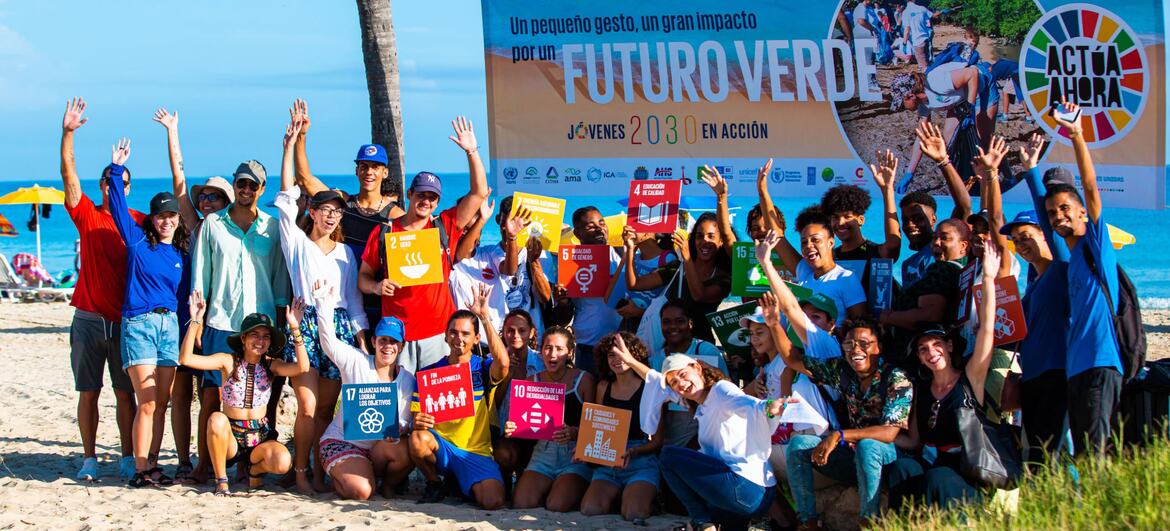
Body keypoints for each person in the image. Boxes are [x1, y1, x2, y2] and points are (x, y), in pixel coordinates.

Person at [757, 230, 909, 526]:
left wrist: (840, 436)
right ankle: (808, 522)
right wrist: (774, 324)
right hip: (848, 451)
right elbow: (792, 359)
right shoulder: (841, 369)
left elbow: (889, 433)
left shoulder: (896, 377)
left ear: (879, 347)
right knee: (800, 445)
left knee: (868, 446)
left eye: (864, 344)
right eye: (850, 344)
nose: (855, 350)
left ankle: (869, 522)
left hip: (888, 456)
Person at [612, 338, 796, 531]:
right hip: (745, 493)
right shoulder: (697, 402)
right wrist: (631, 361)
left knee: (668, 456)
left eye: (683, 375)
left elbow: (743, 402)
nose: (681, 384)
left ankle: (701, 521)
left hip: (746, 488)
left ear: (697, 368)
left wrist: (769, 407)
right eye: (674, 382)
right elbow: (656, 380)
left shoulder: (720, 390)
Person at [277, 120, 370, 493]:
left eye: (337, 211)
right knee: (307, 407)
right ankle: (300, 471)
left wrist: (362, 337)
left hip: (341, 327)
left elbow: (355, 300)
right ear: (313, 212)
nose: (331, 216)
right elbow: (286, 198)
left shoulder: (346, 253)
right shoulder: (297, 243)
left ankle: (319, 472)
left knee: (327, 412)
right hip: (305, 324)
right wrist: (289, 145)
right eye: (325, 209)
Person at [358, 116, 489, 375]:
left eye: (432, 197)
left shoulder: (444, 227)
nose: (426, 201)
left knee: (436, 395)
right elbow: (363, 277)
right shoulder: (385, 232)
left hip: (438, 333)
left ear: (438, 202)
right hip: (397, 334)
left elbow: (478, 193)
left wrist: (472, 151)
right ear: (410, 194)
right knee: (402, 396)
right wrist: (376, 287)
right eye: (421, 195)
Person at [191, 151, 292, 474]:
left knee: (263, 399)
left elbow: (279, 280)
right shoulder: (213, 224)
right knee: (211, 397)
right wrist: (197, 321)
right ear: (234, 185)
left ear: (262, 189)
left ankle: (253, 465)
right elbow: (201, 274)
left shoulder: (272, 228)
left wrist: (280, 326)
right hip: (221, 321)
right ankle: (205, 465)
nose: (246, 189)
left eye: (252, 185)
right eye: (241, 183)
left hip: (262, 326)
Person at [886, 242, 1003, 509]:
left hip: (967, 473)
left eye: (936, 344)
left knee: (937, 477)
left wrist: (988, 278)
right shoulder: (922, 390)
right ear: (919, 357)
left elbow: (987, 330)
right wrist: (865, 435)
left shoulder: (970, 379)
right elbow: (914, 441)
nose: (931, 352)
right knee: (902, 468)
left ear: (949, 346)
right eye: (923, 349)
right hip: (933, 466)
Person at [59, 97, 140, 481]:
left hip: (125, 321)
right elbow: (68, 174)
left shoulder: (139, 222)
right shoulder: (87, 214)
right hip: (89, 319)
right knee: (88, 391)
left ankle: (127, 457)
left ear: (128, 187)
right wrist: (68, 134)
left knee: (126, 394)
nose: (113, 186)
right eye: (108, 181)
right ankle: (89, 458)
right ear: (102, 185)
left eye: (119, 181)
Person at [152, 107, 233, 484]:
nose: (207, 201)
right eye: (205, 197)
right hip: (188, 318)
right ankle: (185, 460)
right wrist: (173, 131)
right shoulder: (195, 226)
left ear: (227, 203)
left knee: (212, 395)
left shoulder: (231, 233)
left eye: (216, 197)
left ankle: (211, 459)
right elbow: (179, 181)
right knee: (181, 393)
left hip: (216, 321)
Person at [103, 139, 187, 487]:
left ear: (178, 219)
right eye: (161, 216)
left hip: (170, 326)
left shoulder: (180, 255)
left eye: (171, 215)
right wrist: (117, 169)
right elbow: (118, 207)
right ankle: (140, 469)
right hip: (139, 324)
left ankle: (153, 464)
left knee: (163, 402)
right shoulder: (139, 242)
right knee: (148, 402)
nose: (166, 221)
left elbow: (185, 296)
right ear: (152, 219)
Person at [1046, 101, 1124, 455]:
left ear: (1081, 213)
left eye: (1065, 208)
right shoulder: (1071, 258)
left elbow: (1090, 189)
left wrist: (1076, 134)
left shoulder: (1096, 245)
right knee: (1083, 456)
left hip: (1100, 362)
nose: (1058, 216)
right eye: (1052, 213)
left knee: (1095, 455)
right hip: (1075, 368)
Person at [291, 99, 405, 332]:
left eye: (375, 167)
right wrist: (301, 136)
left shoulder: (395, 216)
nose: (369, 172)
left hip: (379, 302)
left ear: (385, 172)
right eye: (364, 166)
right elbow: (305, 180)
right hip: (339, 302)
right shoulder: (343, 203)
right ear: (356, 170)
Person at [180, 293, 309, 496]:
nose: (260, 341)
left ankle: (254, 471)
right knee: (216, 419)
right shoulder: (227, 361)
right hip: (231, 438)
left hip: (259, 438)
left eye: (266, 336)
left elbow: (302, 367)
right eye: (254, 335)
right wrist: (196, 321)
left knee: (283, 462)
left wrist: (295, 327)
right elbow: (186, 359)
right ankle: (221, 481)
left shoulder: (271, 365)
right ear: (243, 338)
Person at [741, 293, 839, 529]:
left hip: (812, 444)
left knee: (743, 456)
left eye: (760, 331)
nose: (754, 339)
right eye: (752, 334)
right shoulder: (769, 367)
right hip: (795, 443)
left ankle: (789, 522)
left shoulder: (798, 363)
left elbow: (786, 417)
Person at [409, 285, 509, 509]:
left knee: (493, 502)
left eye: (465, 334)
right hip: (442, 448)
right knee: (417, 439)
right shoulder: (428, 373)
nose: (458, 338)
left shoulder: (483, 368)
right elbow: (417, 418)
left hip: (475, 451)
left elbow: (503, 364)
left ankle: (458, 482)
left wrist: (485, 317)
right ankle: (435, 482)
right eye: (453, 332)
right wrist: (419, 421)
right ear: (445, 336)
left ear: (476, 338)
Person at [312, 286, 415, 500]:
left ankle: (387, 485)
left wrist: (399, 428)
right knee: (362, 492)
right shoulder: (356, 361)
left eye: (394, 341)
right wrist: (323, 304)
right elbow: (328, 342)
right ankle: (348, 478)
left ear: (401, 346)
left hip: (378, 449)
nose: (388, 346)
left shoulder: (407, 380)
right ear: (374, 342)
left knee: (408, 448)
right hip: (343, 442)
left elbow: (407, 420)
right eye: (383, 340)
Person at [1007, 133, 1071, 462]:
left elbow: (1049, 221)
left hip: (1058, 374)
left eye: (1027, 237)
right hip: (1031, 377)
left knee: (1055, 456)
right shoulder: (1033, 283)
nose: (1021, 245)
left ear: (1046, 236)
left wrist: (1031, 172)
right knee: (1034, 457)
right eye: (1017, 241)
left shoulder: (1062, 268)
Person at [504, 326, 595, 512]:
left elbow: (596, 426)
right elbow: (523, 424)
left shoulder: (584, 380)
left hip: (574, 455)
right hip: (542, 454)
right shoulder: (531, 381)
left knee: (557, 505)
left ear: (570, 353)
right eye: (547, 348)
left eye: (559, 349)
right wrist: (512, 427)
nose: (552, 354)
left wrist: (575, 432)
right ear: (541, 351)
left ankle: (567, 487)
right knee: (521, 503)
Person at [580, 332, 665, 524]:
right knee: (590, 509)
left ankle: (646, 498)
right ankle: (621, 497)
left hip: (641, 460)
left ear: (634, 356)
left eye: (622, 353)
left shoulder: (649, 388)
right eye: (611, 355)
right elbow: (596, 428)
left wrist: (633, 452)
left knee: (634, 514)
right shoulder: (603, 387)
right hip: (608, 461)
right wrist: (585, 449)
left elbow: (658, 441)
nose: (617, 359)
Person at [626, 210, 732, 344]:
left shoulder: (723, 278)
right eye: (699, 236)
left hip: (701, 346)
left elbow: (699, 295)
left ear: (721, 241)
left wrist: (687, 257)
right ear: (694, 240)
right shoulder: (676, 268)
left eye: (711, 236)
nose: (704, 241)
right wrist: (630, 249)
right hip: (671, 344)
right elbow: (635, 284)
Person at [881, 218, 972, 373]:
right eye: (934, 237)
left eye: (944, 238)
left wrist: (887, 316)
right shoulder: (965, 273)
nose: (936, 243)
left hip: (915, 364)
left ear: (963, 246)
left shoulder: (940, 269)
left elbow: (929, 315)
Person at [550, 206, 622, 376]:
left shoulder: (620, 255)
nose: (599, 229)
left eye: (602, 223)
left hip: (621, 343)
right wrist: (563, 302)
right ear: (577, 233)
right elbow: (563, 319)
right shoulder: (569, 262)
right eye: (591, 226)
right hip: (589, 347)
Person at [449, 196, 536, 335]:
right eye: (464, 229)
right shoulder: (448, 260)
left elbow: (510, 270)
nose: (469, 234)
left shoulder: (490, 253)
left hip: (496, 337)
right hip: (464, 339)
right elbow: (460, 254)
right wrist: (481, 220)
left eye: (474, 229)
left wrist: (511, 237)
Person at [820, 150, 902, 294]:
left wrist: (887, 190)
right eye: (835, 217)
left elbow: (893, 244)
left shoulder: (876, 252)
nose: (840, 222)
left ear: (861, 220)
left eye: (847, 216)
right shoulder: (831, 258)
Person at [492, 309, 545, 500]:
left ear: (531, 332)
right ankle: (505, 483)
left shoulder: (543, 361)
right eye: (510, 330)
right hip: (506, 433)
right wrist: (507, 374)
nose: (515, 335)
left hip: (538, 433)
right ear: (503, 332)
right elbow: (493, 405)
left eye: (522, 330)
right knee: (503, 454)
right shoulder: (494, 362)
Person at [790, 207, 867, 325]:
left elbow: (861, 323)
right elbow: (778, 235)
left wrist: (834, 331)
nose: (808, 246)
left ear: (830, 243)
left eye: (815, 240)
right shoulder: (804, 273)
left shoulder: (845, 278)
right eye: (804, 242)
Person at [617, 226, 677, 333]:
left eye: (634, 226)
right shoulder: (634, 257)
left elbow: (634, 285)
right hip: (629, 323)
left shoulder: (668, 258)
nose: (627, 229)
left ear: (648, 232)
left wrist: (640, 312)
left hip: (652, 326)